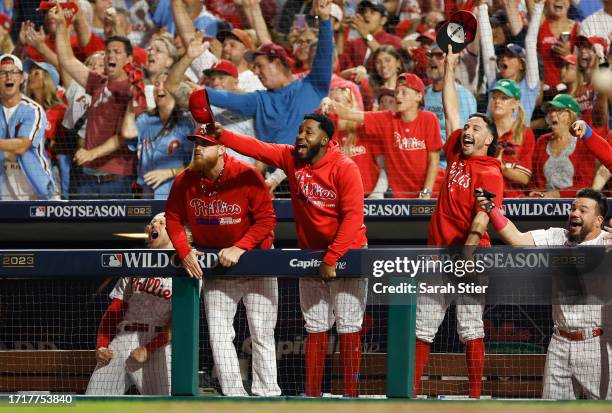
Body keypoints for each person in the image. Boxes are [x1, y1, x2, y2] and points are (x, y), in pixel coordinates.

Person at [209, 111, 367, 397]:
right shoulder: (291, 158)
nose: (300, 136)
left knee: (348, 326)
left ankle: (352, 397)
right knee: (316, 326)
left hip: (348, 253)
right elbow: (257, 147)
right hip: (311, 255)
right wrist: (223, 136)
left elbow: (354, 217)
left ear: (325, 139)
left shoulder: (344, 168)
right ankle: (313, 396)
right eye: (300, 130)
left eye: (308, 132)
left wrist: (332, 257)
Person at [414, 46, 504, 399]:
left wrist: (467, 254)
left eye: (476, 127)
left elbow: (483, 216)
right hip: (439, 255)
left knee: (470, 327)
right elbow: (451, 110)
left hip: (471, 257)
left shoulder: (491, 171)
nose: (467, 129)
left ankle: (475, 397)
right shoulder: (456, 153)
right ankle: (410, 392)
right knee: (423, 328)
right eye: (468, 126)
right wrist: (450, 67)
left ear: (489, 139)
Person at [165, 129, 280, 397]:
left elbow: (266, 219)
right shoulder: (184, 180)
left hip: (256, 261)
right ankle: (234, 396)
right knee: (219, 335)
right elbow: (172, 217)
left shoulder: (246, 174)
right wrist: (184, 250)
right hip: (217, 265)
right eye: (196, 143)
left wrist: (240, 247)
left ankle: (267, 395)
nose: (198, 148)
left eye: (205, 144)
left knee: (261, 333)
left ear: (221, 149)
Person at [475, 188, 612, 399]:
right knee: (551, 409)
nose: (574, 213)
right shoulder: (556, 237)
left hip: (596, 342)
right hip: (560, 341)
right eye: (573, 208)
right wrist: (491, 208)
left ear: (598, 220)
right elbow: (516, 239)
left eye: (583, 210)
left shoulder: (608, 242)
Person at [185, 0, 333, 146]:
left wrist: (325, 19)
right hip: (275, 168)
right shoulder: (259, 100)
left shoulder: (313, 85)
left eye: (259, 66)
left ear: (276, 63)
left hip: (313, 167)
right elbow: (227, 98)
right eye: (254, 67)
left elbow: (324, 54)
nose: (256, 72)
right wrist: (197, 90)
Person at [49, 5, 135, 199]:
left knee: (117, 231)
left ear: (128, 59)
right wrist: (63, 25)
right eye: (108, 52)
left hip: (115, 182)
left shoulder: (131, 89)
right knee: (79, 231)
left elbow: (124, 135)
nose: (111, 55)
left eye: (116, 52)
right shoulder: (98, 84)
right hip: (85, 180)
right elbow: (68, 59)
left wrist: (92, 153)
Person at [86, 213, 173, 395]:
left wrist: (148, 348)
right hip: (123, 337)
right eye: (152, 223)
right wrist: (102, 344)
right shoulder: (137, 265)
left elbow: (178, 323)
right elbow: (114, 312)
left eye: (162, 223)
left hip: (158, 344)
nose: (154, 225)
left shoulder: (187, 268)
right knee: (94, 399)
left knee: (165, 406)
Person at [327, 73, 443, 199]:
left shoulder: (429, 119)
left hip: (435, 191)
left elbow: (434, 160)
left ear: (419, 96)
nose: (398, 96)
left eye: (404, 92)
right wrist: (329, 103)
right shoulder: (386, 119)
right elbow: (349, 114)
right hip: (404, 195)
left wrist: (426, 191)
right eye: (397, 92)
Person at [119, 72, 194, 199]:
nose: (159, 87)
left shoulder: (186, 123)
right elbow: (127, 133)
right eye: (156, 84)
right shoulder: (146, 118)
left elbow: (195, 164)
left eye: (165, 83)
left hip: (176, 191)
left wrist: (169, 172)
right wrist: (130, 104)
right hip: (147, 192)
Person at [0, 54, 55, 200]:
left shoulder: (33, 110)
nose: (8, 77)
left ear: (22, 79)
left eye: (13, 72)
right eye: (3, 73)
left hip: (35, 191)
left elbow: (22, 146)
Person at [479, 0, 540, 125]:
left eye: (511, 56)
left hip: (519, 140)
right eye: (502, 56)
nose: (504, 59)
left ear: (522, 65)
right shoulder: (495, 82)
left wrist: (539, 6)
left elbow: (530, 41)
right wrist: (481, 7)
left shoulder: (529, 85)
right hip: (492, 139)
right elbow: (487, 47)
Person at [530, 94, 597, 198]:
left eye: (558, 111)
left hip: (574, 203)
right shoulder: (542, 141)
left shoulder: (583, 142)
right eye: (550, 111)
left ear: (571, 115)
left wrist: (556, 195)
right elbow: (534, 179)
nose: (552, 114)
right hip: (544, 203)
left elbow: (586, 184)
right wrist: (536, 193)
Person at [423, 42, 477, 168]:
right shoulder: (422, 93)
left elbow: (460, 139)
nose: (432, 60)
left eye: (439, 56)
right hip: (420, 164)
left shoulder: (463, 96)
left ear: (454, 62)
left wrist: (426, 150)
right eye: (430, 56)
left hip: (445, 166)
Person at [488, 79, 536, 197]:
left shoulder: (526, 133)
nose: (497, 101)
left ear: (515, 103)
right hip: (485, 198)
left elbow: (524, 178)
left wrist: (502, 168)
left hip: (513, 201)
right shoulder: (483, 130)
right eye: (494, 97)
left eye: (503, 98)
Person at [339, 0, 401, 70]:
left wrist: (366, 35)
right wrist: (340, 32)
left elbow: (388, 63)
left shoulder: (394, 41)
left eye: (372, 12)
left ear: (383, 20)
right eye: (364, 11)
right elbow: (340, 65)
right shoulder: (354, 43)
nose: (366, 15)